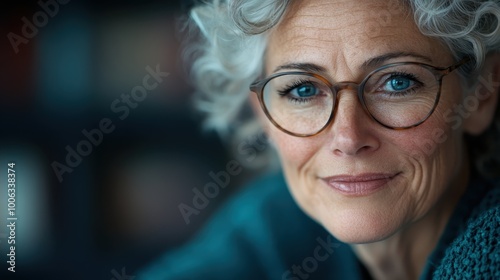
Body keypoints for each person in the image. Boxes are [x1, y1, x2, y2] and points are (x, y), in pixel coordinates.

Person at [139, 0, 500, 279]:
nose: (347, 137)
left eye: (397, 82)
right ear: (264, 114)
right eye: (303, 89)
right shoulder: (277, 220)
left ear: (481, 94)